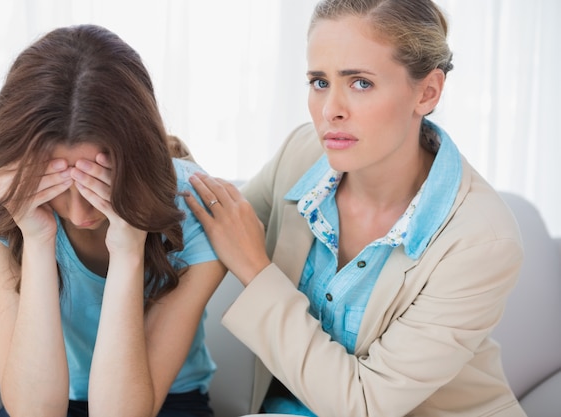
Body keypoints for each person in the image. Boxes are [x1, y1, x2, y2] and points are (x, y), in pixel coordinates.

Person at [185, 0, 526, 415]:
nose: (330, 111)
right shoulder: (300, 154)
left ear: (427, 91)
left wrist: (257, 271)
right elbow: (203, 227)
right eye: (319, 82)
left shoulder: (481, 240)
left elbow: (366, 405)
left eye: (360, 83)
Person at [0, 24, 226, 417]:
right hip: (46, 393)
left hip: (161, 399)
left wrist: (129, 247)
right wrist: (36, 239)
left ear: (139, 161)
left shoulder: (196, 207)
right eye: (55, 186)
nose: (81, 213)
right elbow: (34, 412)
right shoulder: (1, 206)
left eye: (99, 184)